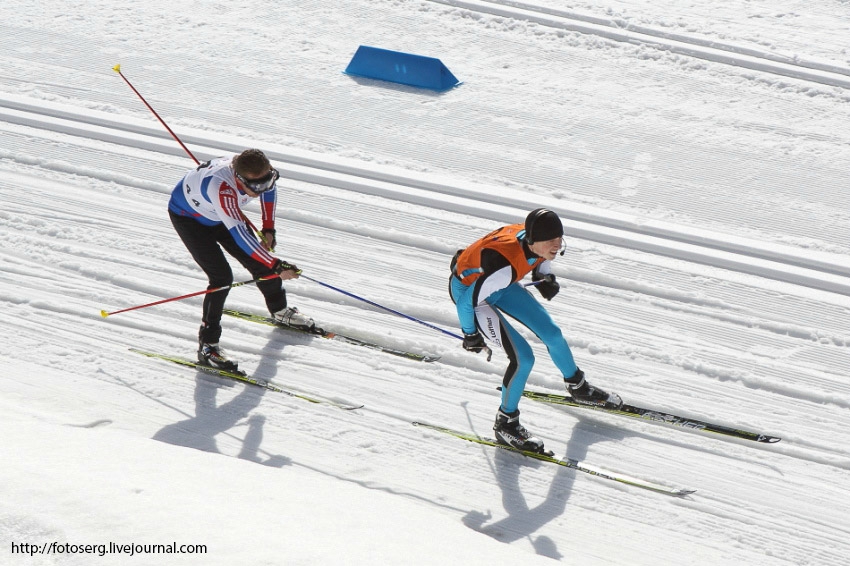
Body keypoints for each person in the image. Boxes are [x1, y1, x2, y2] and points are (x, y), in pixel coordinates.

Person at [449, 208, 622, 453]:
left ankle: (577, 386)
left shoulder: (537, 240)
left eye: (560, 238)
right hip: (472, 296)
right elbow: (468, 301)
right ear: (533, 240)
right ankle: (506, 423)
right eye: (551, 240)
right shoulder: (503, 268)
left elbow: (542, 259)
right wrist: (470, 334)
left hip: (499, 285)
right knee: (523, 358)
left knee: (552, 333)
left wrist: (544, 277)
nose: (557, 245)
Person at [168, 148, 315, 372]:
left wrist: (268, 228)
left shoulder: (259, 174)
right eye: (256, 186)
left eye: (268, 179)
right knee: (221, 277)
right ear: (239, 178)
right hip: (190, 220)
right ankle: (207, 346)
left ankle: (280, 310)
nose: (263, 188)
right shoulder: (222, 188)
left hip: (218, 213)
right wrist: (276, 265)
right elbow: (239, 234)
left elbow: (269, 191)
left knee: (259, 263)